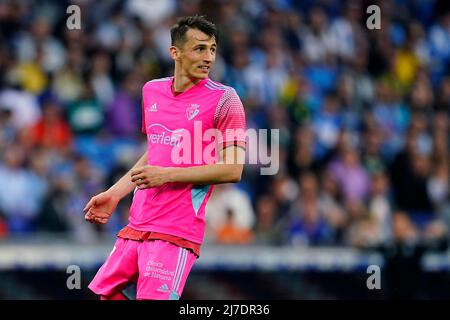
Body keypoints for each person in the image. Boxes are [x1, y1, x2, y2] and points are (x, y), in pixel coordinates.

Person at [83, 15, 246, 300]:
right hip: (138, 223)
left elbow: (233, 169)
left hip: (176, 230)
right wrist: (115, 193)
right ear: (175, 52)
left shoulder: (225, 100)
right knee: (106, 295)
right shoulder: (152, 90)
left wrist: (168, 174)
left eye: (212, 49)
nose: (208, 57)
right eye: (199, 48)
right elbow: (157, 151)